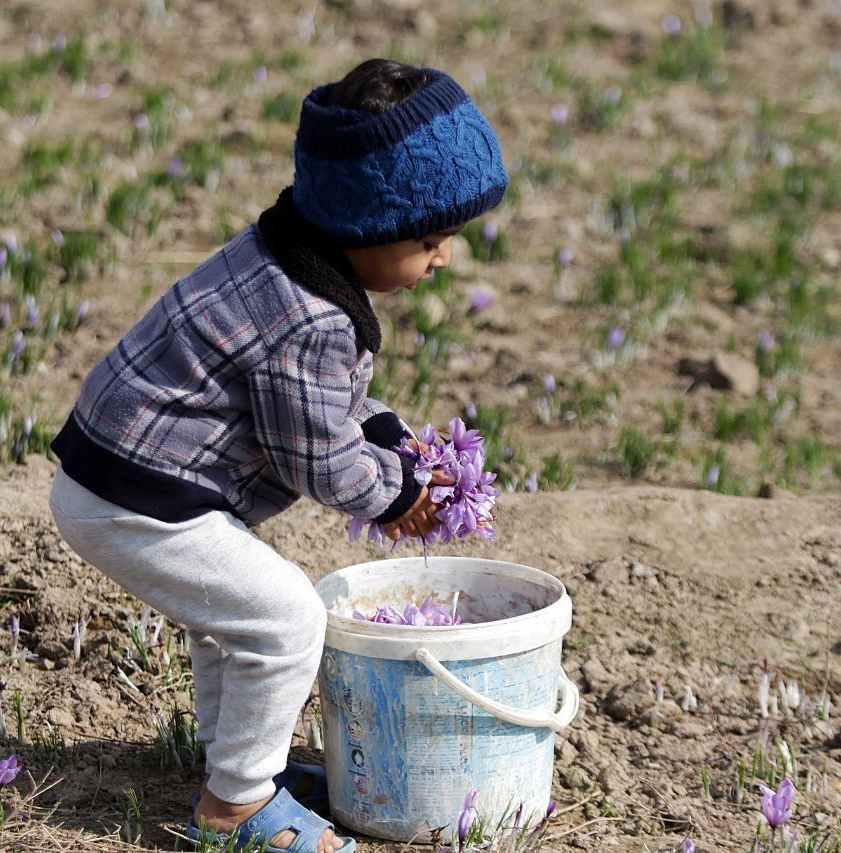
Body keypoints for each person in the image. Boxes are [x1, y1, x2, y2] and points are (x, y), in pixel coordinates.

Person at [47, 58, 506, 853]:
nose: (445, 259)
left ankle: (238, 768)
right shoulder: (310, 319)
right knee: (288, 619)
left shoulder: (292, 252)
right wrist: (398, 496)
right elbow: (320, 458)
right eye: (431, 240)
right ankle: (233, 809)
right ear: (365, 227)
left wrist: (395, 442)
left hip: (131, 474)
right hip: (138, 496)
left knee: (236, 619)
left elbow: (324, 403)